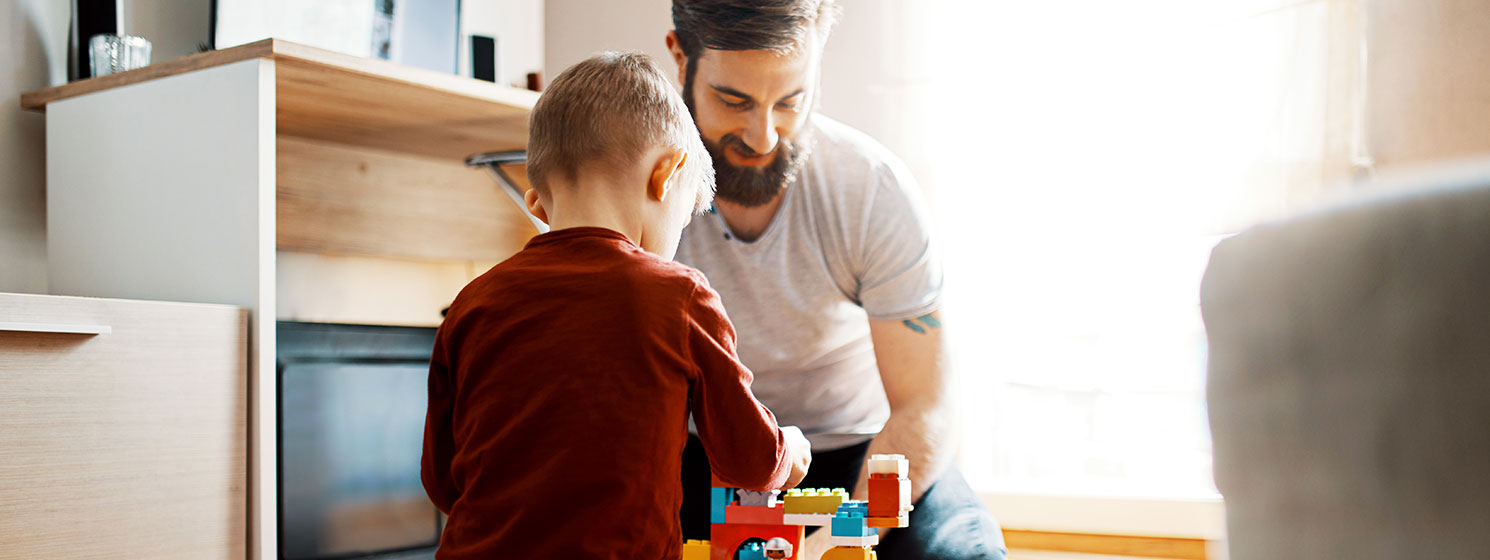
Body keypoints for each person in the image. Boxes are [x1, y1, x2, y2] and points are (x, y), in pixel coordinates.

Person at [421, 51, 812, 560]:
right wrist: (790, 449)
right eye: (683, 217)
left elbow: (443, 483)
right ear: (666, 175)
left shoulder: (472, 303)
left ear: (537, 202)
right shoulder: (679, 294)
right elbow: (750, 461)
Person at [664, 1, 1008, 558]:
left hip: (856, 451)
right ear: (681, 60)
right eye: (734, 101)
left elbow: (925, 404)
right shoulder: (645, 194)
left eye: (790, 101)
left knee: (964, 550)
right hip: (703, 452)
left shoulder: (871, 189)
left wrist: (838, 541)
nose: (763, 136)